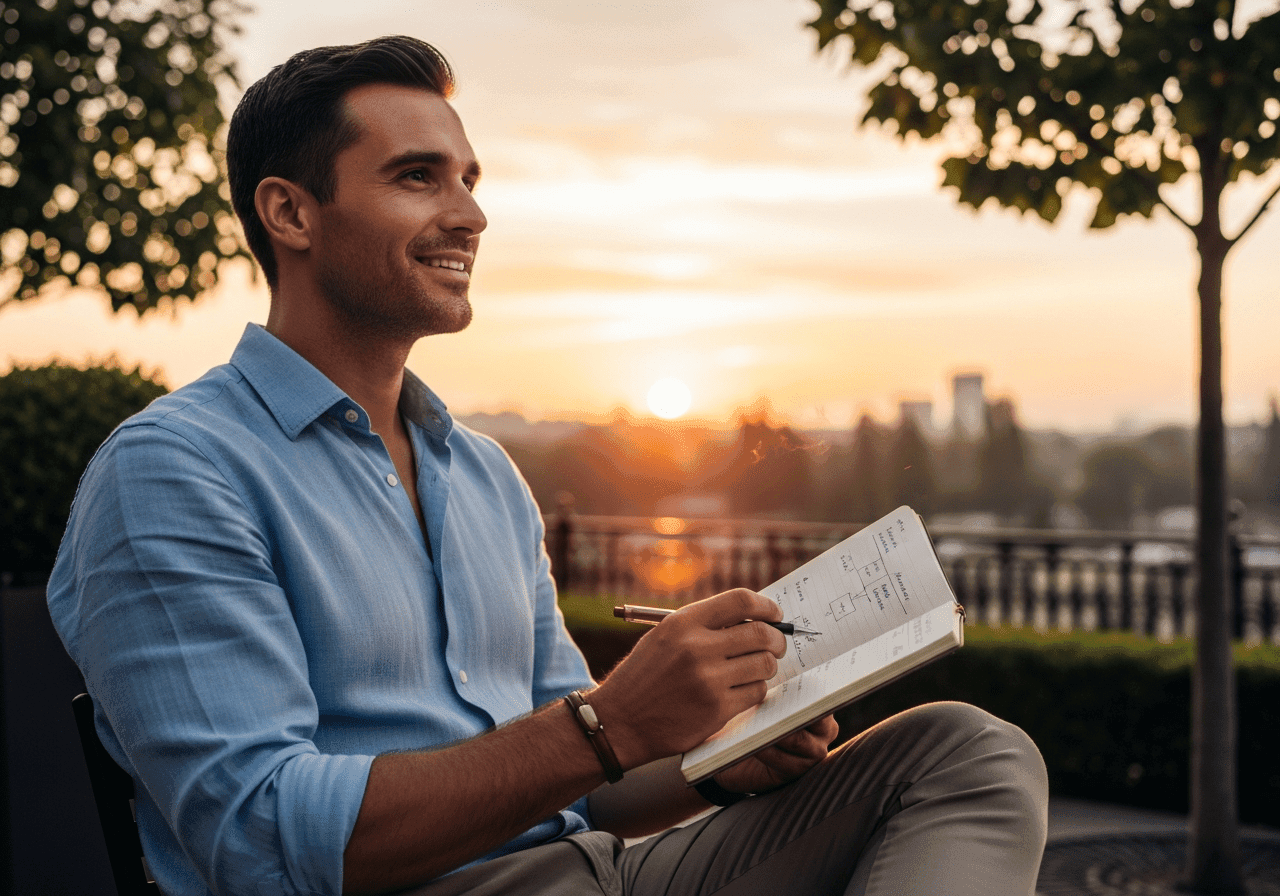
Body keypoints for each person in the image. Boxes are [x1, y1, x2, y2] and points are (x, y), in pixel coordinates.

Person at [48, 36, 1049, 896]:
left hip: (589, 870)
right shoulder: (176, 473)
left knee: (963, 751)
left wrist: (718, 755)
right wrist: (609, 719)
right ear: (290, 213)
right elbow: (260, 836)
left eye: (469, 180)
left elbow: (584, 781)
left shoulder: (480, 475)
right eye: (416, 177)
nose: (470, 215)